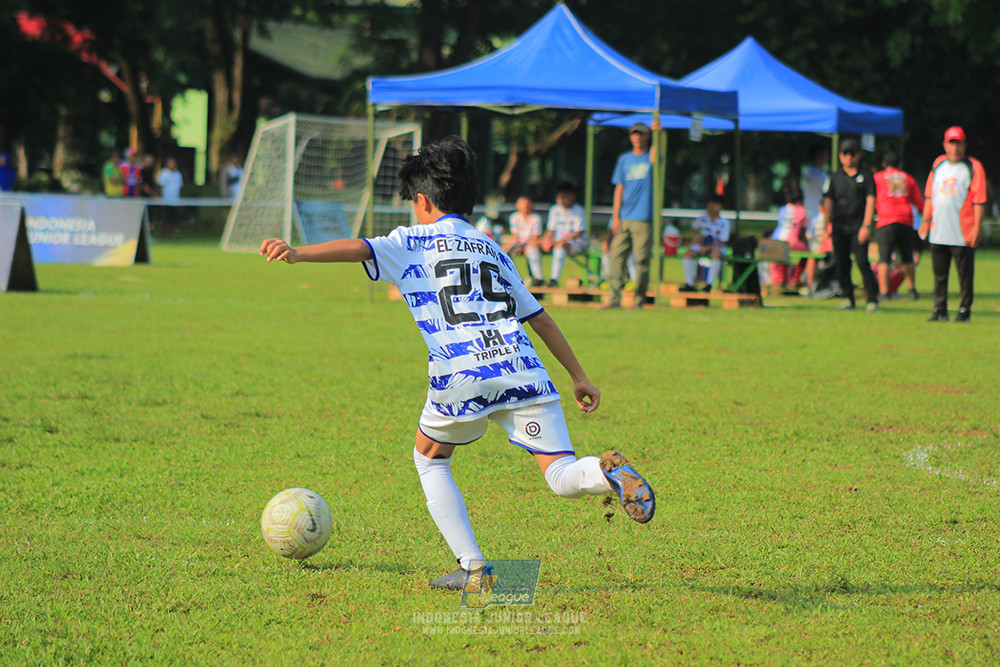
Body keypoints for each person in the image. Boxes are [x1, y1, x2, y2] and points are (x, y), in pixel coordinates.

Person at [259, 136, 655, 591]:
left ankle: (473, 570)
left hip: (461, 374)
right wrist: (579, 376)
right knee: (562, 476)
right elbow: (539, 318)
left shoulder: (411, 240)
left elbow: (360, 248)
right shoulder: (492, 247)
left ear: (423, 201)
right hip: (523, 370)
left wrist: (298, 252)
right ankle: (606, 473)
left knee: (428, 459)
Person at [919, 126, 987, 323]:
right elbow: (930, 195)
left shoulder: (973, 167)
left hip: (962, 231)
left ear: (964, 145)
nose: (954, 147)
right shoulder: (939, 164)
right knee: (939, 275)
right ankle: (940, 309)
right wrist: (925, 220)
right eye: (951, 143)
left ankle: (964, 310)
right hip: (938, 229)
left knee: (964, 275)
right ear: (944, 145)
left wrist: (977, 227)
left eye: (958, 143)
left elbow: (979, 200)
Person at [606, 120, 660, 309]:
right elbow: (619, 188)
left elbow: (656, 156)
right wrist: (615, 216)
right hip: (624, 217)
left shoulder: (651, 157)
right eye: (634, 134)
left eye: (642, 134)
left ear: (647, 136)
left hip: (643, 218)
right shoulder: (624, 159)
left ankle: (639, 299)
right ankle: (614, 297)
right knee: (616, 257)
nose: (637, 137)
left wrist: (658, 133)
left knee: (642, 260)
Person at [822, 138, 878, 312]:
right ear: (840, 156)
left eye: (852, 153)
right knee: (841, 263)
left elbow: (871, 201)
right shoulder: (835, 177)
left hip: (858, 227)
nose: (848, 157)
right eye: (845, 154)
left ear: (858, 155)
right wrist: (826, 227)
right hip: (839, 226)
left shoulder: (866, 175)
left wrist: (867, 226)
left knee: (862, 262)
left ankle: (872, 299)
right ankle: (848, 298)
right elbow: (829, 201)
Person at [872, 151, 924, 302]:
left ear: (884, 164)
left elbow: (870, 197)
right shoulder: (908, 178)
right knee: (907, 257)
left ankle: (884, 292)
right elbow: (919, 202)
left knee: (884, 259)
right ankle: (912, 289)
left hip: (885, 220)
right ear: (900, 164)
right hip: (905, 221)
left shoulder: (878, 178)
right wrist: (926, 219)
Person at [679, 193, 731, 292]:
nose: (712, 207)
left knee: (716, 254)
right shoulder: (702, 219)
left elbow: (723, 242)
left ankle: (709, 284)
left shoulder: (724, 222)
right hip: (702, 246)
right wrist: (696, 237)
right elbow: (693, 228)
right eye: (710, 204)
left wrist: (707, 248)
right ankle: (689, 284)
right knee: (687, 254)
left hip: (715, 247)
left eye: (715, 204)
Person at [541, 181, 587, 287]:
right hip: (558, 241)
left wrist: (561, 241)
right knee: (533, 247)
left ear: (572, 197)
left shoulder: (578, 211)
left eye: (565, 197)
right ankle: (538, 278)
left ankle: (554, 279)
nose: (562, 200)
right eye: (560, 197)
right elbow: (550, 229)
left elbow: (578, 232)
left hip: (577, 243)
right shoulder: (554, 210)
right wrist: (546, 241)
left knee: (560, 248)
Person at [802, 143, 830, 292]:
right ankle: (811, 284)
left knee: (814, 251)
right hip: (819, 216)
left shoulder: (806, 173)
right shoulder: (821, 176)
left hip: (808, 216)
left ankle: (810, 281)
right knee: (816, 252)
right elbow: (827, 197)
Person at [501, 195, 545, 286]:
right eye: (522, 204)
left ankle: (538, 277)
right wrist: (517, 245)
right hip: (519, 244)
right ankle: (507, 278)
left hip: (531, 243)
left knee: (531, 250)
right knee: (503, 251)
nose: (525, 206)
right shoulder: (514, 217)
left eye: (527, 204)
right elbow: (515, 236)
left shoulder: (536, 218)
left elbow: (535, 236)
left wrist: (524, 246)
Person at [768, 190, 809, 288]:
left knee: (784, 255)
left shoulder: (782, 209)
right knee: (808, 254)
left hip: (777, 239)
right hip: (792, 240)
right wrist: (806, 242)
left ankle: (782, 279)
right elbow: (802, 231)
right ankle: (796, 278)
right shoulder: (801, 210)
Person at [157, 157, 184, 238]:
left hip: (175, 201)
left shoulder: (178, 174)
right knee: (164, 219)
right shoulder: (163, 173)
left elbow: (180, 188)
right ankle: (163, 235)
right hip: (165, 201)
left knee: (172, 220)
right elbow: (160, 186)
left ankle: (169, 235)